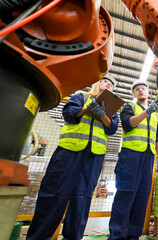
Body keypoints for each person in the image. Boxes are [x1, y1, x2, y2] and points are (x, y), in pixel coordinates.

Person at [26, 74, 119, 240]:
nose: (109, 85)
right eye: (105, 81)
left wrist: (102, 113)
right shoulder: (81, 97)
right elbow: (68, 113)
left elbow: (112, 128)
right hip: (68, 153)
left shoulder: (111, 106)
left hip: (93, 157)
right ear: (98, 83)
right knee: (54, 195)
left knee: (81, 200)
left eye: (112, 85)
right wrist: (88, 108)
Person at [108, 80, 158, 240]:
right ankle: (117, 236)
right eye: (137, 89)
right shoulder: (129, 107)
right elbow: (127, 125)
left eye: (143, 88)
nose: (140, 91)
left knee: (142, 196)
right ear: (134, 94)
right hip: (130, 156)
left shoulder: (156, 115)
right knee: (125, 195)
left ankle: (134, 236)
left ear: (148, 93)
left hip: (148, 157)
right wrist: (147, 112)